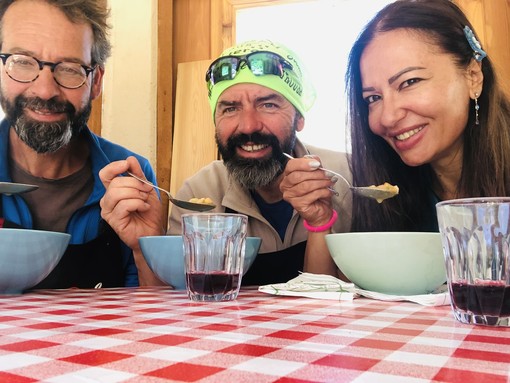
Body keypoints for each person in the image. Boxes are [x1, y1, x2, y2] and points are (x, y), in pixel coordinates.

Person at [282, 0, 510, 272]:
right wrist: (319, 220)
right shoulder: (392, 191)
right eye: (373, 98)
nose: (387, 117)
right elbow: (335, 300)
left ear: (473, 76)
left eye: (409, 82)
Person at [101, 40, 353, 285]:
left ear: (298, 118)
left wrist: (321, 222)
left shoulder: (349, 179)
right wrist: (144, 246)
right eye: (230, 109)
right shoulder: (200, 193)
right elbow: (172, 306)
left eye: (268, 104)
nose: (248, 125)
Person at [0, 0, 163, 288]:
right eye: (22, 62)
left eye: (70, 69)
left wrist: (146, 248)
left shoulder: (131, 176)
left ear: (96, 81)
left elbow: (152, 316)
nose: (45, 90)